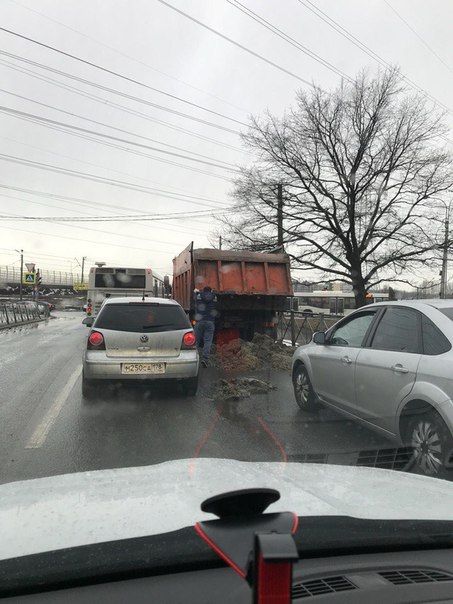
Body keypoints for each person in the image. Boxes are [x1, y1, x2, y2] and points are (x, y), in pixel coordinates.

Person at [194, 286, 217, 367]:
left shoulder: (199, 296)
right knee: (208, 341)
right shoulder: (214, 297)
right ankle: (205, 359)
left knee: (196, 341)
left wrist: (196, 292)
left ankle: (193, 358)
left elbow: (195, 301)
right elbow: (214, 303)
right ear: (210, 290)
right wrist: (213, 293)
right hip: (210, 321)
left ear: (203, 290)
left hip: (199, 321)